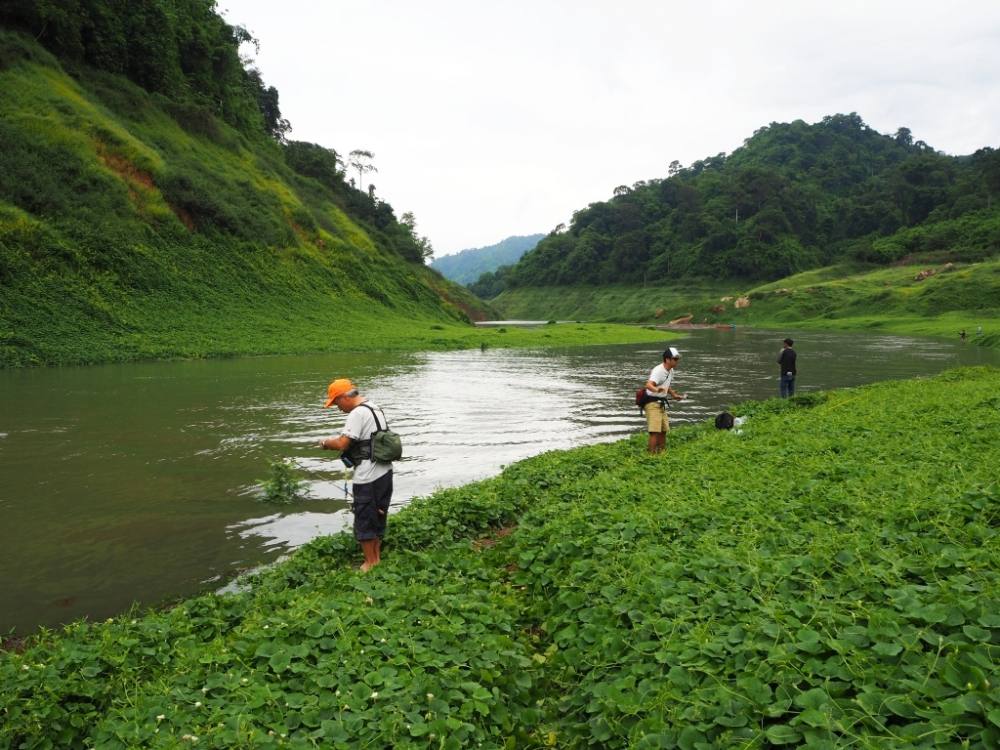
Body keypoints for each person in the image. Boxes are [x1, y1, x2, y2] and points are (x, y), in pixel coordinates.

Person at [318, 378, 393, 572]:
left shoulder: (357, 413)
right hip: (384, 472)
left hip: (367, 476)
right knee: (378, 514)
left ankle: (370, 564)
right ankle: (376, 559)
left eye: (336, 403)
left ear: (344, 397)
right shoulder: (374, 408)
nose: (337, 408)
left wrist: (325, 443)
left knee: (365, 518)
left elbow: (343, 443)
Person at [644, 347, 685, 454]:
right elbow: (648, 385)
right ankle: (651, 456)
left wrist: (674, 395)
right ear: (667, 360)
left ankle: (661, 453)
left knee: (663, 430)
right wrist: (657, 389)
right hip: (652, 403)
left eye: (677, 359)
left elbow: (667, 385)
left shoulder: (671, 370)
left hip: (661, 404)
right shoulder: (658, 371)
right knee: (654, 431)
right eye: (675, 359)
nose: (677, 361)